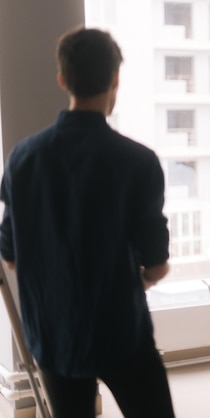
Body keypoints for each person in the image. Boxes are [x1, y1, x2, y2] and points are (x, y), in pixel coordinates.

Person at [0, 28, 175, 417]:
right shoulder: (138, 162)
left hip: (53, 332)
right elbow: (158, 265)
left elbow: (10, 257)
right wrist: (132, 279)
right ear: (115, 78)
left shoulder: (21, 159)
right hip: (122, 331)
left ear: (62, 79)